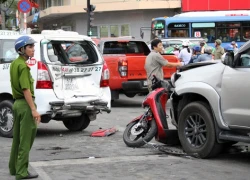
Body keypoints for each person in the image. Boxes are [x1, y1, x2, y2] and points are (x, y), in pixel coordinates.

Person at [9, 35, 41, 180]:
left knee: (17, 139)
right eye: (30, 47)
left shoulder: (15, 63)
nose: (33, 49)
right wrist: (33, 109)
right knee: (26, 140)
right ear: (22, 49)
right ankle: (22, 172)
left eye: (33, 46)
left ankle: (14, 167)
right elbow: (25, 89)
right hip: (25, 105)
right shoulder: (23, 66)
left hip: (17, 104)